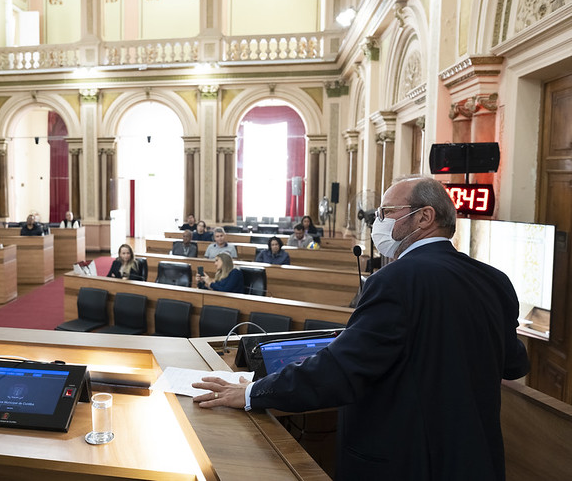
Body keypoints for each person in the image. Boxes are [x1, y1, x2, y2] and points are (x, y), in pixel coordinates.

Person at [191, 176, 530, 481]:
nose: (377, 222)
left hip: (409, 462)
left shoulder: (396, 280)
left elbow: (342, 370)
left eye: (386, 212)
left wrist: (251, 393)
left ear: (425, 217)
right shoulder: (494, 280)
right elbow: (514, 363)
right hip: (476, 460)